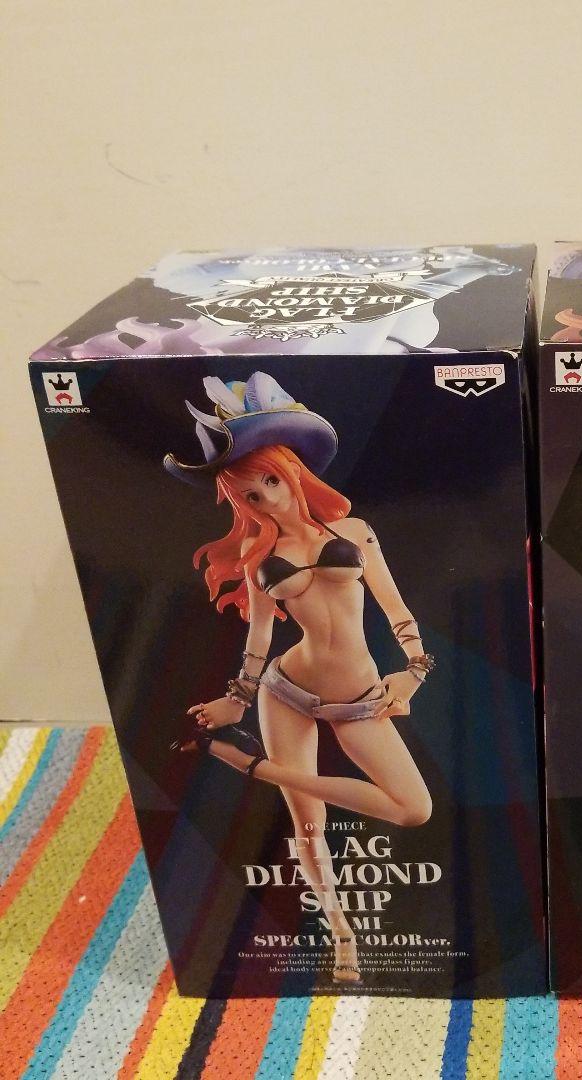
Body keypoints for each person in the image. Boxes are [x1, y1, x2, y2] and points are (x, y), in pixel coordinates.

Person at [165, 371, 434, 985]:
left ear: (291, 471)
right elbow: (259, 640)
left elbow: (397, 611)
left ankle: (249, 766)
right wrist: (236, 700)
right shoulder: (259, 558)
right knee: (308, 826)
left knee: (413, 808)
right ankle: (342, 935)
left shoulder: (354, 533)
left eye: (270, 480)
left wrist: (414, 672)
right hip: (285, 690)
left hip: (360, 697)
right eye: (250, 495)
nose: (266, 498)